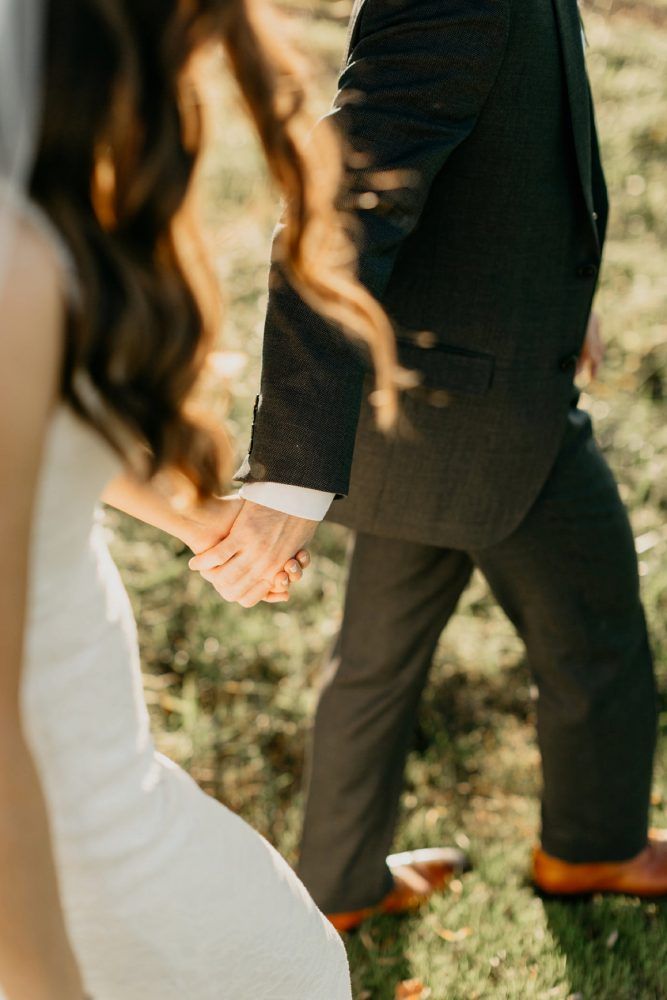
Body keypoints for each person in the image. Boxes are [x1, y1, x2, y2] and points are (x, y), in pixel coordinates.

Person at [190, 0, 666, 930]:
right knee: (598, 635)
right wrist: (290, 475)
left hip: (434, 392)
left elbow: (498, 158)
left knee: (373, 654)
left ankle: (335, 883)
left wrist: (557, 293)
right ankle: (593, 846)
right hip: (490, 412)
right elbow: (340, 202)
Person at [0, 0, 399, 996]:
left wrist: (194, 515)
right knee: (289, 966)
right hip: (64, 805)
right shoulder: (19, 272)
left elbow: (34, 442)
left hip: (78, 752)